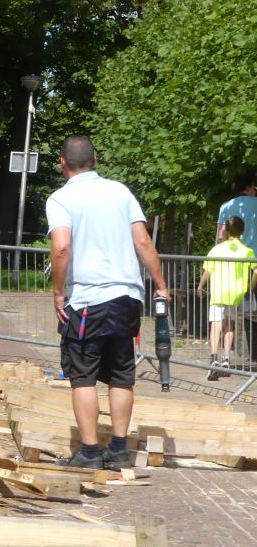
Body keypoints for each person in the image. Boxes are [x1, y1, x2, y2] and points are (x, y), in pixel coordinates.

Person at [46, 134, 168, 470]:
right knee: (121, 374)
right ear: (95, 160)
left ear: (62, 163)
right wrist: (160, 284)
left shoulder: (61, 199)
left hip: (87, 300)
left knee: (82, 375)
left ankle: (89, 452)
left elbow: (61, 247)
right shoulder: (120, 192)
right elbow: (143, 241)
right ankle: (118, 449)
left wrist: (58, 292)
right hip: (126, 298)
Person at [197, 215, 256, 379]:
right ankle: (226, 359)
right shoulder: (247, 250)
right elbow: (256, 271)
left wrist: (200, 286)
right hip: (235, 292)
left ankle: (213, 359)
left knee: (216, 324)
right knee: (230, 325)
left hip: (218, 291)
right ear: (242, 231)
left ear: (227, 231)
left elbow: (208, 270)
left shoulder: (217, 249)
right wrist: (250, 287)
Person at [217, 173, 257, 250]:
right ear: (248, 188)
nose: (255, 191)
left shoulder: (225, 206)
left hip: (234, 254)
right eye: (253, 188)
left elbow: (221, 237)